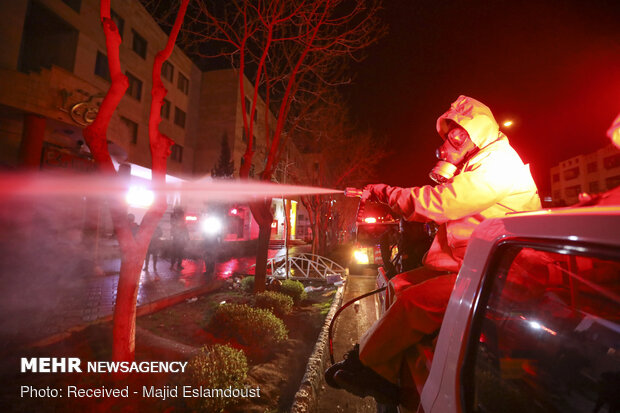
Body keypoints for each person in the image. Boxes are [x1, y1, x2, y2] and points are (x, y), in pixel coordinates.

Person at [325, 95, 542, 405]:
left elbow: (440, 202)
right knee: (400, 285)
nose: (450, 142)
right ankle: (384, 370)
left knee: (416, 301)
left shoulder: (500, 165)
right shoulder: (478, 163)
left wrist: (385, 193)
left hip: (505, 274)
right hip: (478, 265)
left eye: (458, 134)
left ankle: (364, 367)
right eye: (449, 134)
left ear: (478, 131)